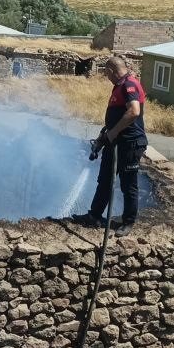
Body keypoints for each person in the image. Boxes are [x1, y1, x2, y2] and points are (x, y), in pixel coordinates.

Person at [69, 56, 147, 236]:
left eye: (107, 74)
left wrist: (113, 133)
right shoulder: (119, 86)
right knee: (104, 180)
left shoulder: (130, 85)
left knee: (129, 184)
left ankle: (128, 222)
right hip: (115, 142)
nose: (107, 77)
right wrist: (103, 137)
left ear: (112, 70)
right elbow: (115, 118)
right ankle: (94, 215)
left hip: (130, 143)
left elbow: (134, 111)